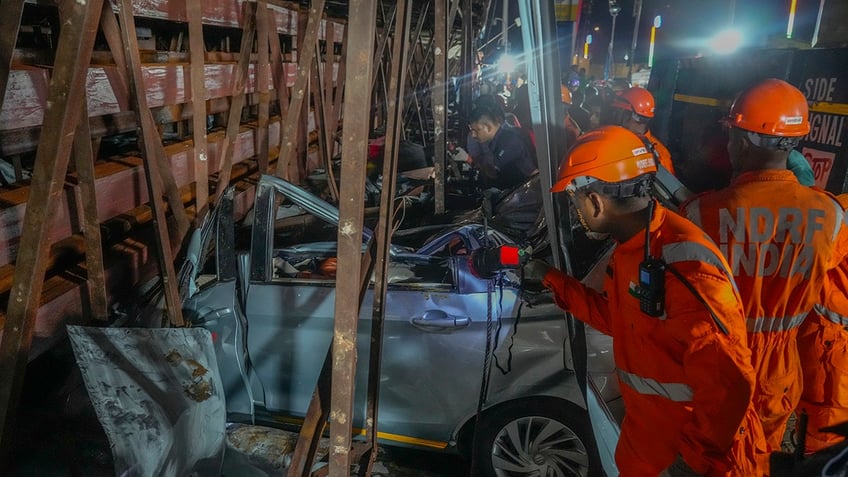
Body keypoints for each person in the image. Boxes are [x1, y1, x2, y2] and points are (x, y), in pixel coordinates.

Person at [524, 125, 766, 476]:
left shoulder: (684, 266)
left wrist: (691, 465)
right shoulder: (634, 249)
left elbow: (729, 386)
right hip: (649, 445)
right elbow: (619, 318)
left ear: (595, 201)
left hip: (688, 457)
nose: (576, 210)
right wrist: (551, 278)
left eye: (574, 199)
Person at [679, 78, 848, 451]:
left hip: (715, 366)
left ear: (740, 142)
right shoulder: (831, 215)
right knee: (757, 458)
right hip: (781, 372)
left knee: (707, 456)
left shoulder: (698, 213)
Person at [797, 193, 848, 453]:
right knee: (825, 432)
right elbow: (816, 261)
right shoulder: (841, 213)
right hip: (831, 342)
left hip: (832, 341)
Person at [465, 104, 537, 191]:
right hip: (517, 192)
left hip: (526, 193)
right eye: (471, 131)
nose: (473, 135)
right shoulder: (497, 140)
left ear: (488, 127)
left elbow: (493, 173)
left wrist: (468, 159)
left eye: (476, 130)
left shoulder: (507, 141)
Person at [610, 86, 675, 175]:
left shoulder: (659, 155)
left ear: (630, 115)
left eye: (618, 112)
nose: (615, 116)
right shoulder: (660, 153)